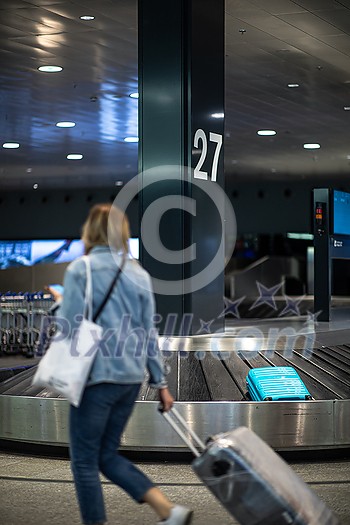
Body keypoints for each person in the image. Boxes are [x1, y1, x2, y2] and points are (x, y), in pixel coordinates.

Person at [49, 203, 193, 525]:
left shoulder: (80, 270)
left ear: (91, 231)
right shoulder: (138, 273)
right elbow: (147, 332)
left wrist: (58, 306)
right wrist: (161, 384)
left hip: (95, 378)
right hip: (129, 379)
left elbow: (70, 326)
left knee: (84, 461)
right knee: (105, 454)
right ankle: (168, 510)